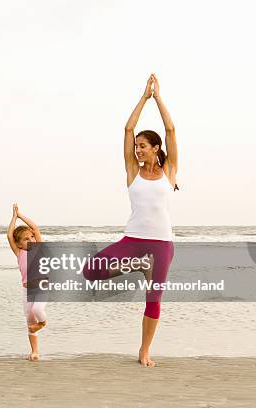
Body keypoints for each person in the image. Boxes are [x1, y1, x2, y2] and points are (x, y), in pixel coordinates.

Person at [82, 73, 178, 367]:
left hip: (161, 243)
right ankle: (136, 266)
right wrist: (143, 96)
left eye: (143, 146)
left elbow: (171, 129)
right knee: (91, 271)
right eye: (136, 146)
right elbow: (127, 127)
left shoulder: (170, 170)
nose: (137, 149)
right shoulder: (132, 171)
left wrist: (159, 97)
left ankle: (144, 351)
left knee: (153, 299)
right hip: (133, 240)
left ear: (156, 148)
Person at [7, 203, 47, 361]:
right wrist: (13, 218)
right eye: (26, 239)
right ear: (19, 244)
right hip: (26, 291)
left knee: (38, 310)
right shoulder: (19, 252)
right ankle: (34, 351)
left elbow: (35, 228)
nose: (31, 240)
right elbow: (10, 236)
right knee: (30, 321)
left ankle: (43, 323)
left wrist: (21, 215)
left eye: (31, 237)